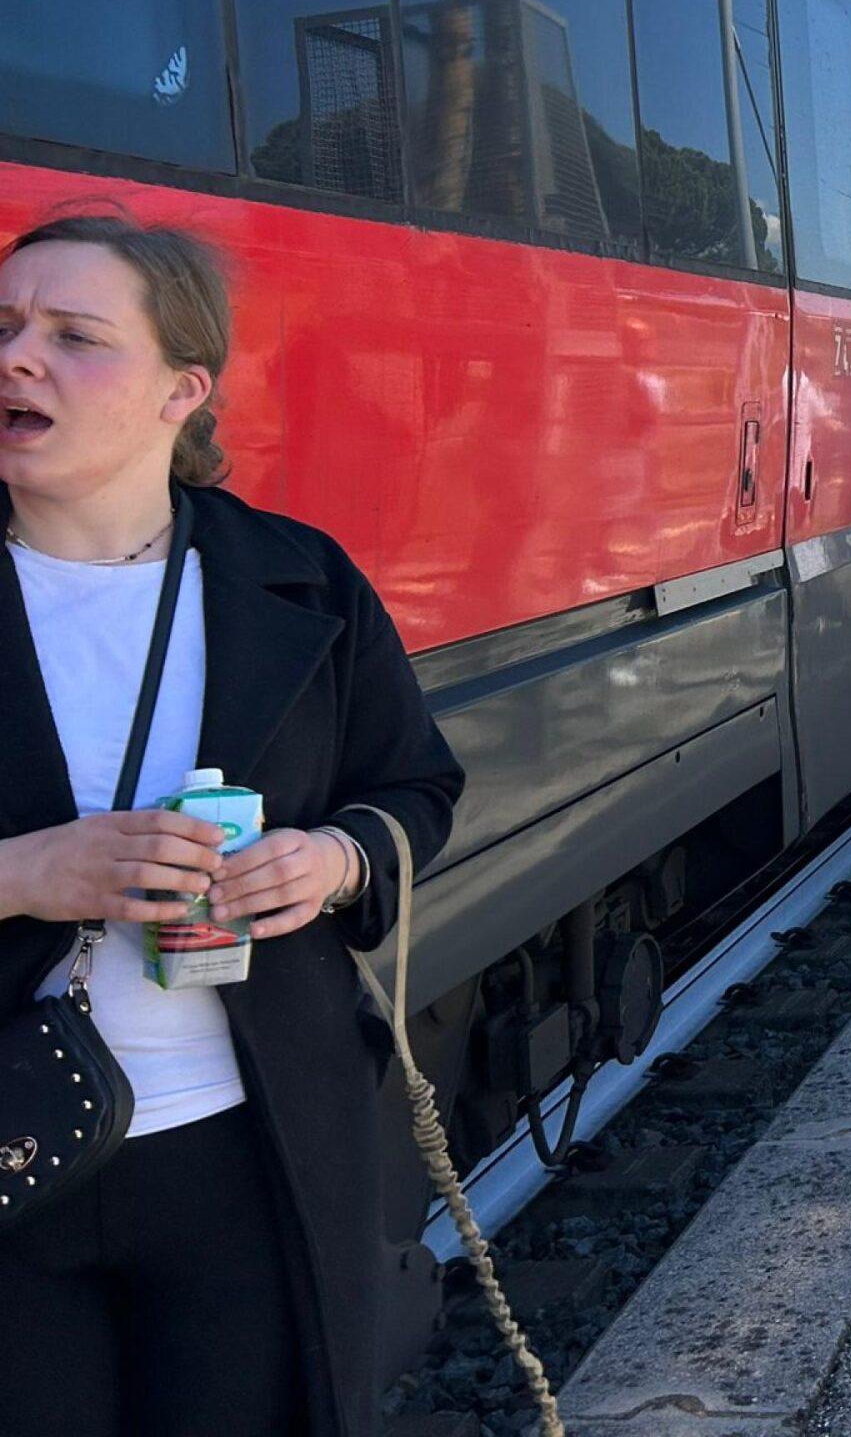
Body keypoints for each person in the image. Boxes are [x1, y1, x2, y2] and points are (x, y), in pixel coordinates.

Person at [0, 212, 463, 1437]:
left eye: (72, 336)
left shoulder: (296, 579)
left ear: (180, 389)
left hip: (248, 1156)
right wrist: (25, 873)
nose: (16, 357)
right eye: (3, 327)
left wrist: (332, 858)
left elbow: (417, 791)